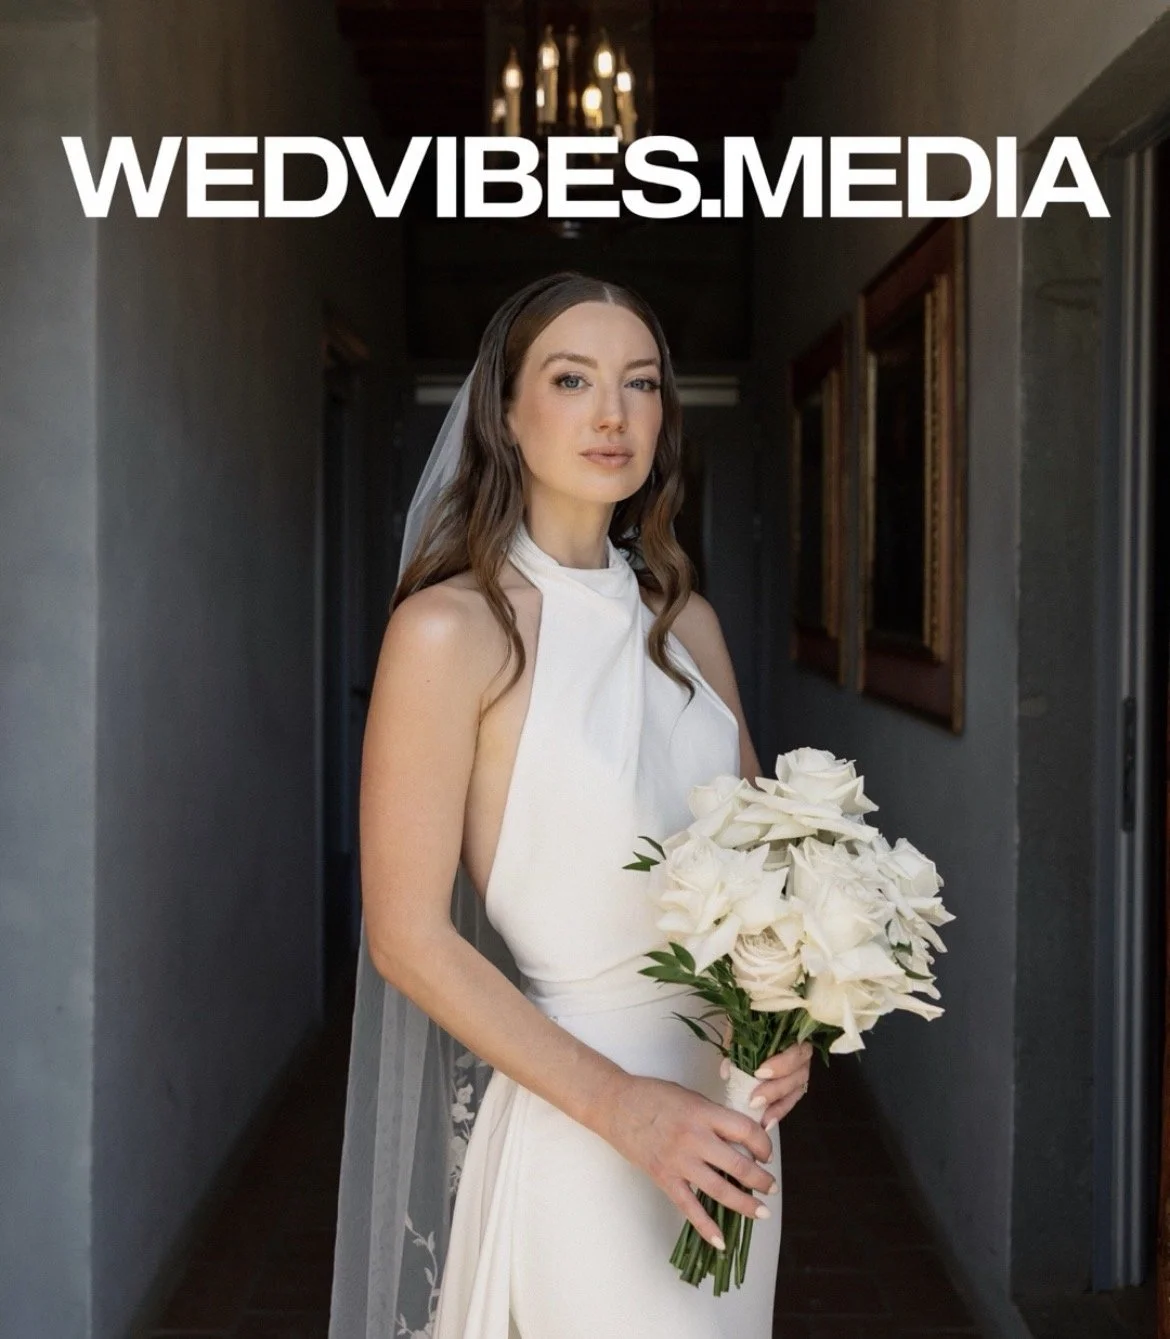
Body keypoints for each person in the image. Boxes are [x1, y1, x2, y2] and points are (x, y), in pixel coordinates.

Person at [329, 271, 813, 1339]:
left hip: (731, 1129)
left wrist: (789, 1020)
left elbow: (775, 869)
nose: (613, 413)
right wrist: (628, 1111)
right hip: (585, 1127)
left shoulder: (687, 626)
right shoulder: (451, 632)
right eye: (572, 378)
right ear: (506, 412)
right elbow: (406, 937)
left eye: (640, 384)